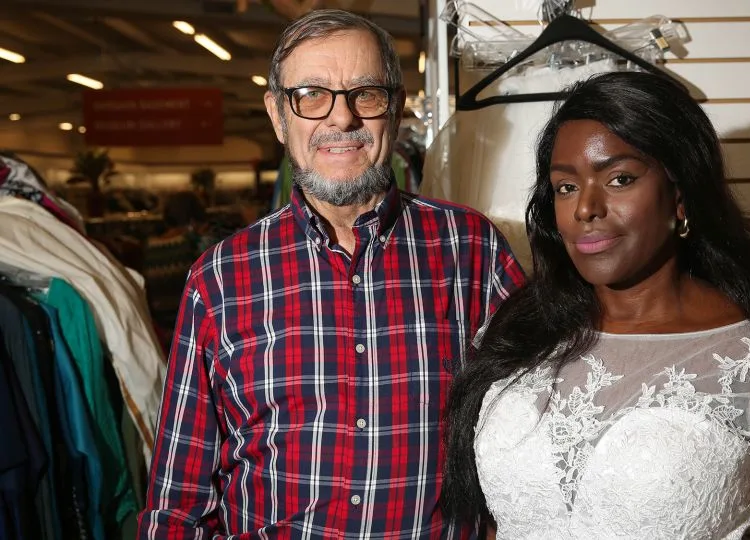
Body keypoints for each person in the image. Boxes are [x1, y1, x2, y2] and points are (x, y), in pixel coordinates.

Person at [441, 71, 750, 539]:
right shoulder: (520, 334)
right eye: (566, 187)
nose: (586, 208)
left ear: (680, 194)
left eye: (619, 179)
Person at [138, 10, 524, 539]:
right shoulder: (220, 278)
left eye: (365, 93)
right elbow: (178, 502)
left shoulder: (471, 249)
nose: (341, 120)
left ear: (396, 105)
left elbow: (533, 447)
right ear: (278, 115)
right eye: (312, 95)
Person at [142, 190, 208, 335]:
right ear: (193, 219)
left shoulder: (150, 246)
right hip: (193, 327)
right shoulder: (192, 244)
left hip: (162, 328)